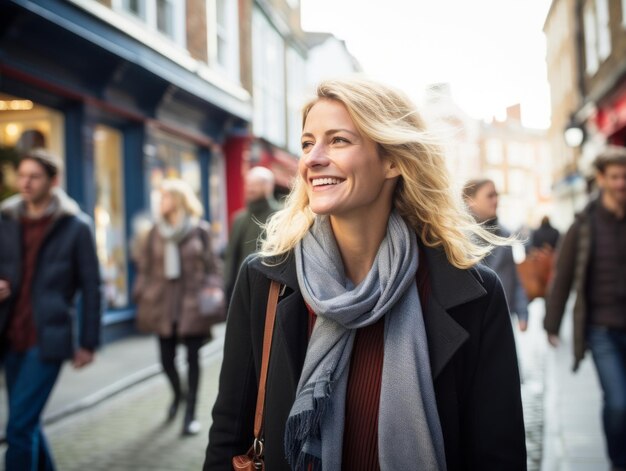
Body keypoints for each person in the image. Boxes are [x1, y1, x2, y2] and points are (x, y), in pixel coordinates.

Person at [204, 77, 526, 470]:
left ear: (392, 160)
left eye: (338, 140)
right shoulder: (266, 281)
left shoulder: (472, 292)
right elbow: (228, 435)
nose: (312, 158)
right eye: (307, 143)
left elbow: (497, 453)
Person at [0, 148, 102, 471]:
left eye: (34, 176)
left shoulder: (75, 226)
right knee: (26, 420)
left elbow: (92, 286)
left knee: (18, 427)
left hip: (48, 339)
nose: (25, 182)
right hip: (8, 334)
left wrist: (88, 342)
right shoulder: (5, 219)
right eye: (22, 175)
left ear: (53, 181)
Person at [544, 146, 626, 471]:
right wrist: (552, 324)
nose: (622, 183)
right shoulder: (584, 225)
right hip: (601, 329)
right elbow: (562, 277)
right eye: (616, 177)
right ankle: (618, 462)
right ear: (602, 179)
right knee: (619, 403)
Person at [132, 178, 223, 436]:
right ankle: (178, 395)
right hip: (162, 304)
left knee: (193, 359)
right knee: (165, 360)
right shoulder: (154, 232)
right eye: (160, 199)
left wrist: (212, 290)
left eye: (166, 197)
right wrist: (140, 293)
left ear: (179, 200)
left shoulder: (200, 230)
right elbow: (145, 266)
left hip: (191, 303)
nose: (161, 202)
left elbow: (213, 266)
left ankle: (190, 414)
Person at [463, 179, 530, 331]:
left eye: (497, 195)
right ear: (470, 201)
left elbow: (513, 276)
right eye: (490, 196)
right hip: (473, 326)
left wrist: (522, 312)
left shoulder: (505, 235)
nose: (496, 200)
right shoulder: (459, 238)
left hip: (504, 319)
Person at [223, 166, 280, 302]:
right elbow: (231, 257)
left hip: (269, 291)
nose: (250, 188)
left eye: (257, 184)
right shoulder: (238, 219)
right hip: (239, 290)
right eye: (248, 184)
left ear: (269, 187)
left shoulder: (280, 217)